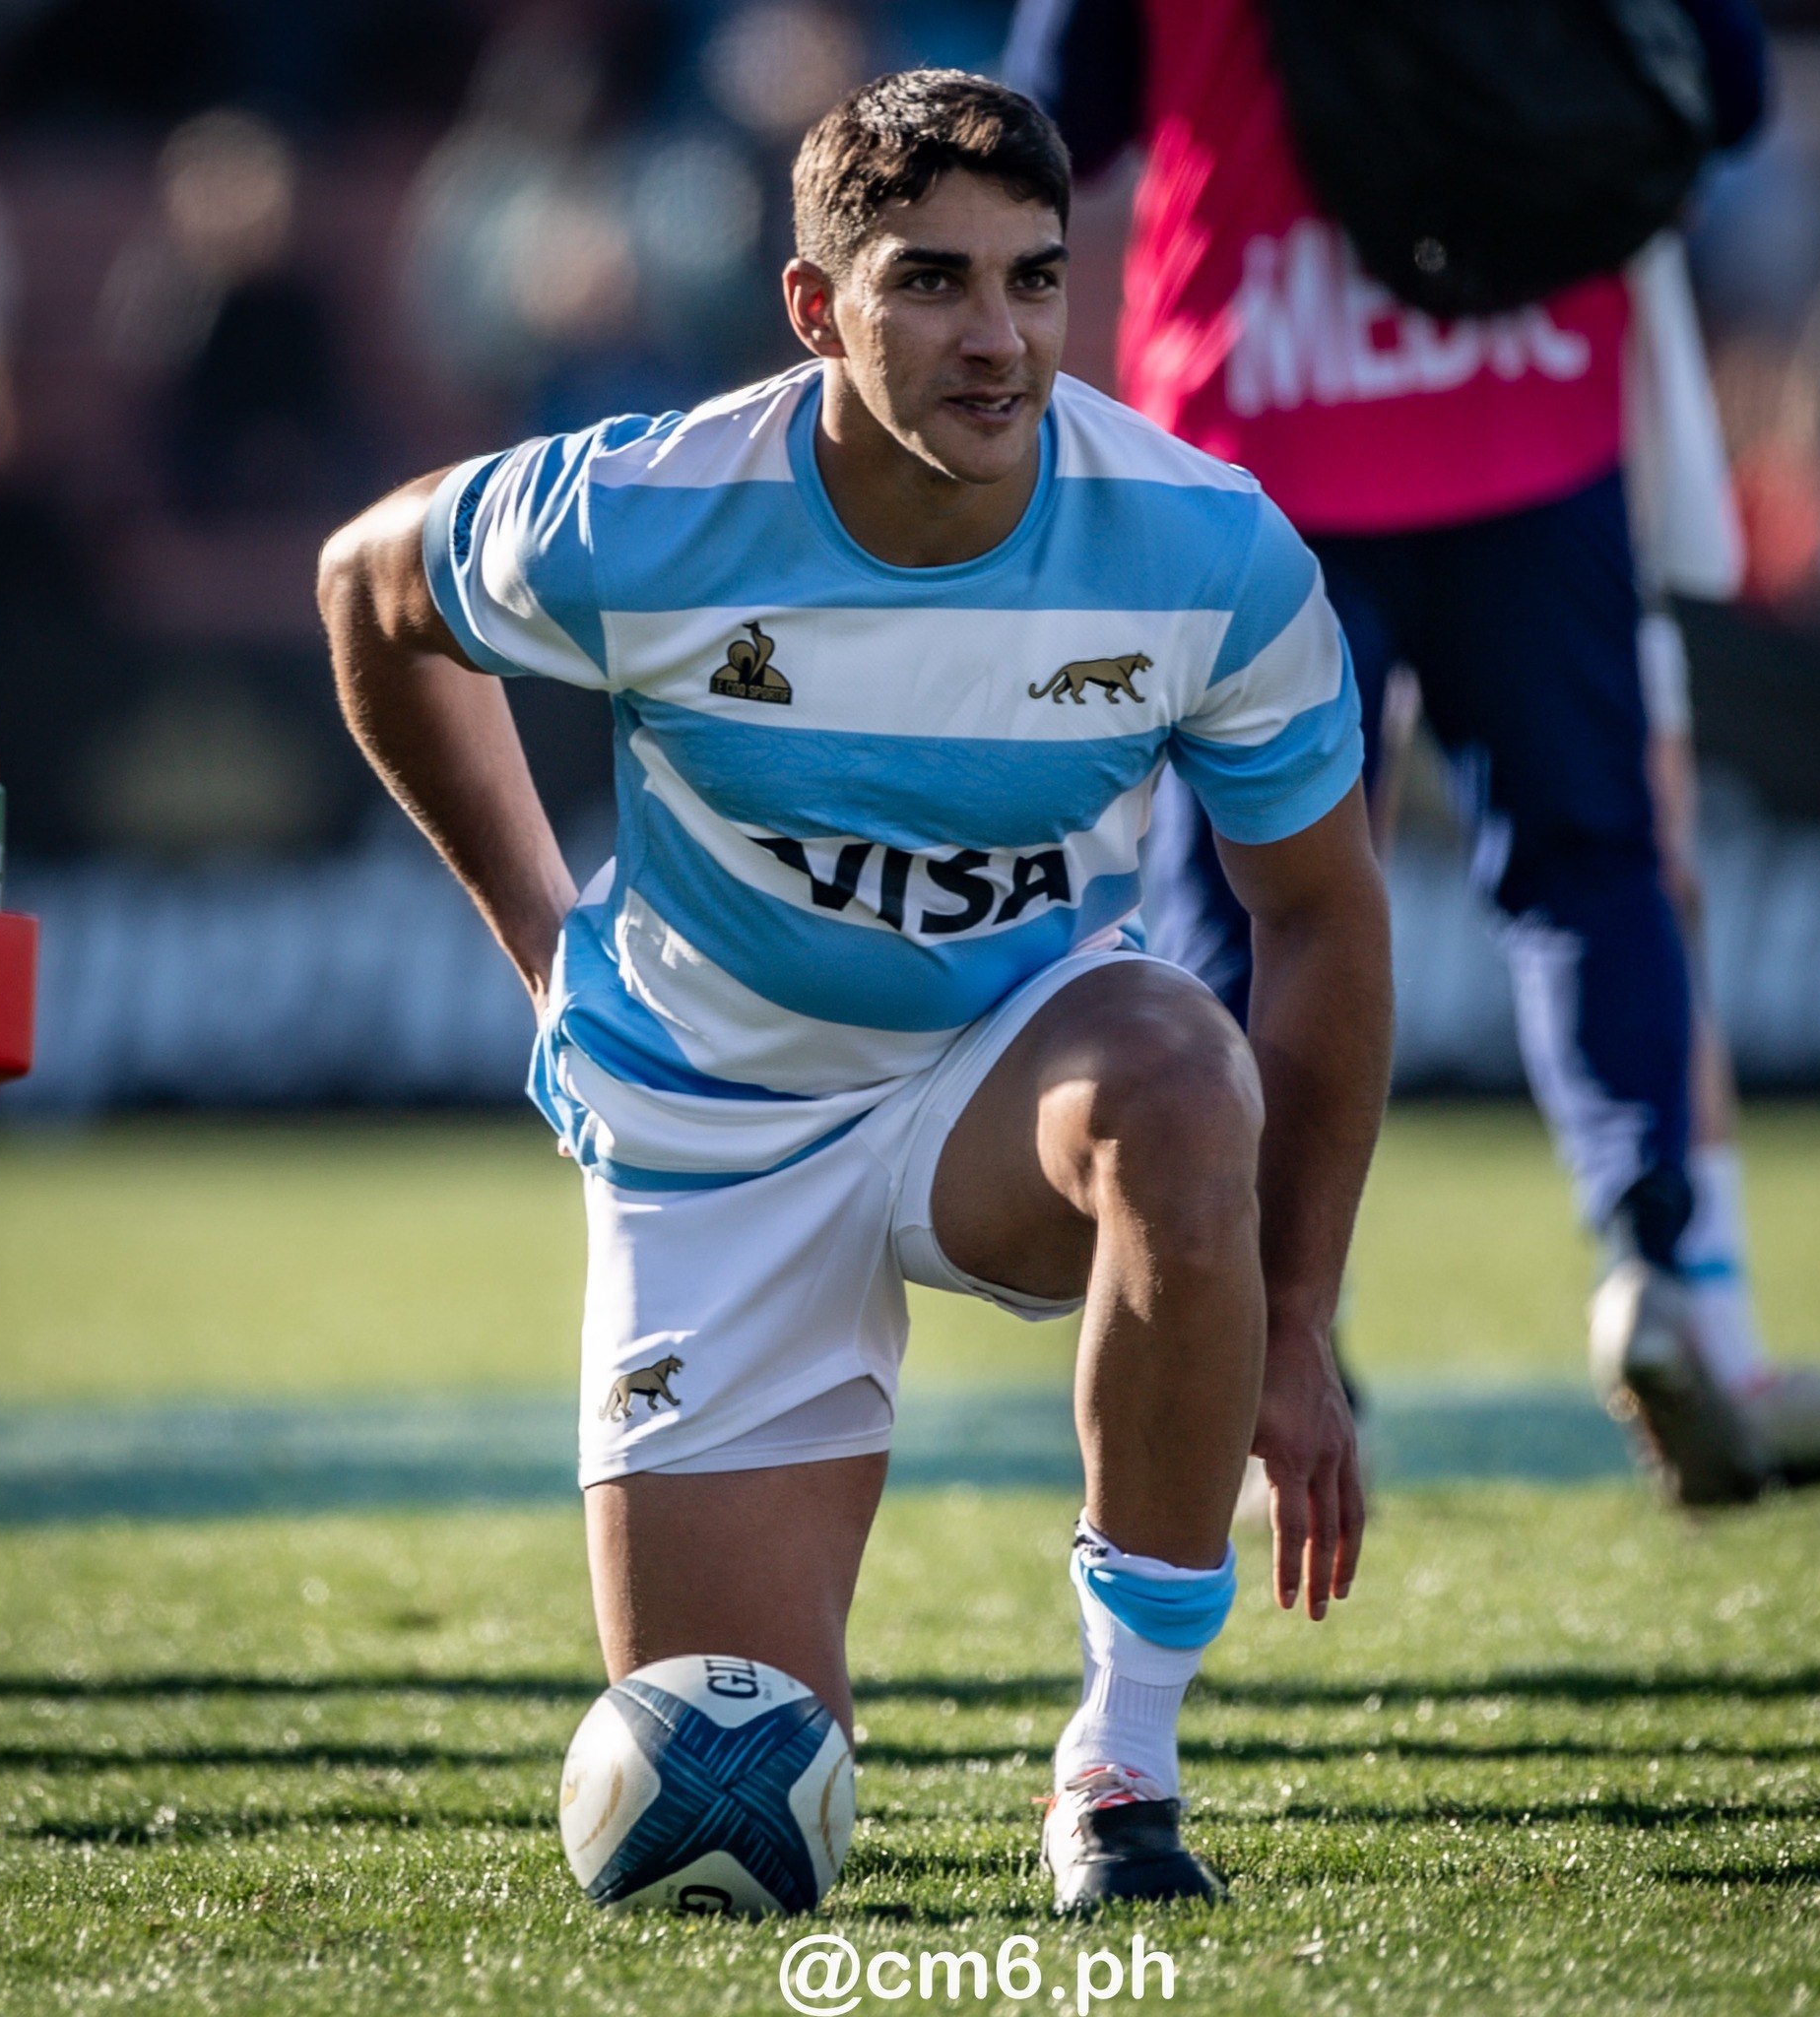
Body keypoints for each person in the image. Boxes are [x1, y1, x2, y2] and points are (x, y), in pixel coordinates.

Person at [318, 70, 1392, 1910]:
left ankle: (1121, 1774)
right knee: (726, 1776)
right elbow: (367, 590)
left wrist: (1296, 1316)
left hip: (1009, 1079)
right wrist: (542, 941)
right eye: (932, 284)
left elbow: (1322, 919)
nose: (999, 340)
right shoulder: (635, 511)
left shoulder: (1207, 547)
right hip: (709, 1134)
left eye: (1035, 282)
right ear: (816, 307)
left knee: (1177, 1073)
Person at [1008, 0, 1820, 1506]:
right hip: (1525, 397)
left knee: (1250, 902)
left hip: (1257, 414)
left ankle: (1249, 1333)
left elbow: (1053, 120)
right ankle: (1665, 1273)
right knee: (1588, 866)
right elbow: (1721, 86)